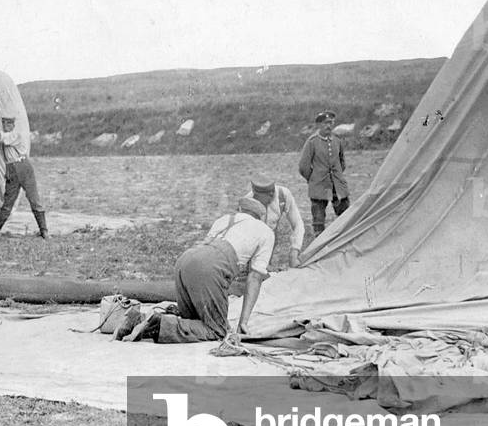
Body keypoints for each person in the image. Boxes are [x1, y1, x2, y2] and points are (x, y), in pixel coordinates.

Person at [125, 197, 275, 343]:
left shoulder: (224, 219)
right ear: (260, 217)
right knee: (217, 330)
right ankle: (158, 323)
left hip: (186, 259)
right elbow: (255, 278)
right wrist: (243, 322)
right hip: (210, 267)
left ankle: (139, 320)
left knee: (192, 321)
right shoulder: (265, 231)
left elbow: (207, 247)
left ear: (241, 210)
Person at [0, 115, 48, 239]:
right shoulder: (6, 137)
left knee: (34, 199)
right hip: (12, 169)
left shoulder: (16, 134)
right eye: (4, 124)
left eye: (9, 124)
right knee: (8, 203)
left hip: (22, 166)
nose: (6, 127)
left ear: (13, 125)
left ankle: (44, 231)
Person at [298, 111, 350, 238]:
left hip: (337, 184)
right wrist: (314, 178)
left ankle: (344, 238)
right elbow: (303, 167)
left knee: (345, 215)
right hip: (319, 185)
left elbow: (342, 162)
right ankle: (318, 244)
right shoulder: (312, 142)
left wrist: (337, 176)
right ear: (319, 125)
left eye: (331, 123)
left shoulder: (337, 140)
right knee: (318, 219)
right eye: (326, 123)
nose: (329, 126)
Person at [244, 174, 305, 267]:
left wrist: (294, 250)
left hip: (271, 235)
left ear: (271, 194)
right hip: (254, 238)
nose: (259, 202)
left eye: (261, 200)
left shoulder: (283, 195)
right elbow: (245, 235)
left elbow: (298, 223)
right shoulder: (248, 200)